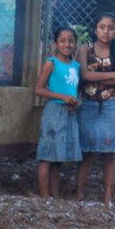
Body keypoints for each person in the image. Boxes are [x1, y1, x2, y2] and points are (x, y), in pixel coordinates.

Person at [75, 12, 115, 205]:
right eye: (102, 27)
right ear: (95, 29)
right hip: (88, 104)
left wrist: (94, 74)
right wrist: (110, 76)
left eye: (110, 28)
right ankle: (79, 194)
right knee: (86, 150)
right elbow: (84, 76)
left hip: (111, 105)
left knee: (109, 150)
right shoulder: (83, 50)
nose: (106, 31)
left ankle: (107, 196)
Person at [34, 26, 82, 198]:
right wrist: (61, 97)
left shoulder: (76, 65)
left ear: (75, 44)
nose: (67, 44)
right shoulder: (51, 63)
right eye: (62, 40)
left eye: (71, 41)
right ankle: (44, 198)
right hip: (54, 112)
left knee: (58, 158)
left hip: (69, 114)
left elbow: (74, 90)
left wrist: (76, 103)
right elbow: (38, 89)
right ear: (55, 43)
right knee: (47, 156)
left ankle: (55, 196)